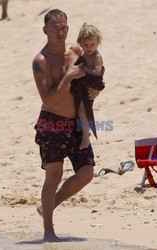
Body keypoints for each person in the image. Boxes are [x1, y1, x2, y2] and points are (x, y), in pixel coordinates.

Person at [32, 9, 100, 242]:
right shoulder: (41, 61)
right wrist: (68, 77)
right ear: (45, 30)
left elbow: (93, 77)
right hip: (52, 123)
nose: (61, 32)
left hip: (77, 123)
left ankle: (48, 206)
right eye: (55, 29)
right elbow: (48, 99)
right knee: (54, 176)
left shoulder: (77, 51)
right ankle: (49, 232)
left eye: (64, 28)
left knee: (86, 173)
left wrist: (95, 92)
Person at [71, 23, 104, 150]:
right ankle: (84, 132)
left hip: (91, 85)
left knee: (83, 110)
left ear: (97, 43)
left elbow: (97, 73)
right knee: (78, 109)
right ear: (80, 43)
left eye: (92, 44)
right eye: (86, 44)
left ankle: (86, 136)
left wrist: (82, 68)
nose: (89, 47)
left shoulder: (97, 57)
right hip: (82, 85)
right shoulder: (84, 54)